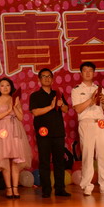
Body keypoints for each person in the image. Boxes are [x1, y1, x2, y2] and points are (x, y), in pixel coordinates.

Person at [71, 61, 104, 196]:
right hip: (86, 123)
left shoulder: (99, 88)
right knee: (88, 155)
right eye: (85, 70)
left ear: (94, 73)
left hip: (100, 123)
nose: (88, 73)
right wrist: (90, 101)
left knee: (103, 155)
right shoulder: (76, 90)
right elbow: (78, 109)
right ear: (81, 73)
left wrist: (103, 101)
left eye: (90, 70)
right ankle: (87, 185)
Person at [29, 68, 71, 198]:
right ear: (39, 79)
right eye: (44, 76)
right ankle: (46, 189)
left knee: (59, 161)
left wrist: (61, 104)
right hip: (43, 133)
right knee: (44, 161)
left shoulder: (57, 93)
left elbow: (66, 109)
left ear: (52, 79)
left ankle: (60, 189)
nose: (47, 79)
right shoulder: (35, 95)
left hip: (58, 132)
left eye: (49, 76)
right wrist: (51, 107)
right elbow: (35, 112)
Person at [0, 78, 32, 199]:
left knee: (15, 160)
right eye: (2, 85)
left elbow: (21, 117)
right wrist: (8, 111)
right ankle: (8, 189)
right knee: (5, 160)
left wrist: (15, 107)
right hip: (1, 130)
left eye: (7, 85)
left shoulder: (15, 99)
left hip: (14, 130)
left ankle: (15, 189)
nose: (5, 88)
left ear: (11, 87)